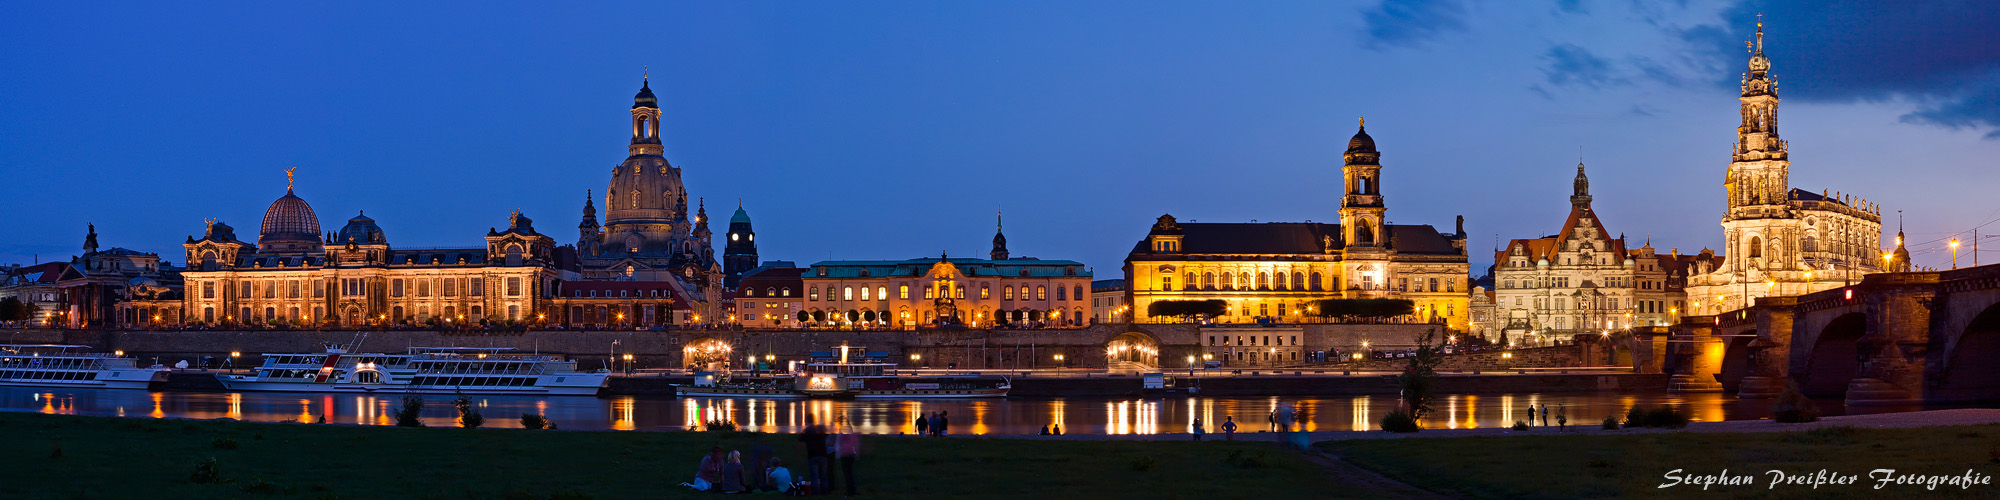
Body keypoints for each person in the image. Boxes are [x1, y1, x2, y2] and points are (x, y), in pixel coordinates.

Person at [800, 417, 830, 494]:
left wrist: (803, 430)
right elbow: (827, 436)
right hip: (823, 455)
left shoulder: (808, 431)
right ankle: (825, 493)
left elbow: (800, 438)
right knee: (824, 476)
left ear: (807, 421)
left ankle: (815, 493)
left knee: (814, 476)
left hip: (812, 456)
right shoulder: (820, 430)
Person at [836, 423, 861, 496]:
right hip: (851, 454)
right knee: (850, 473)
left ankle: (849, 491)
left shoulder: (841, 435)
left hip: (844, 455)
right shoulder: (852, 435)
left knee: (847, 474)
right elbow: (856, 443)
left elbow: (839, 444)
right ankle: (852, 490)